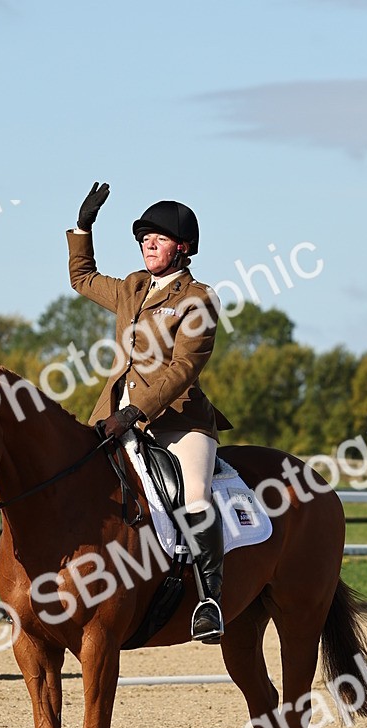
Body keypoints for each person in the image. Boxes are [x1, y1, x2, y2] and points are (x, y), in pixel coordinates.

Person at [67, 182, 231, 643]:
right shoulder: (133, 288)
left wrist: (135, 412)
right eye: (143, 239)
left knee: (195, 495)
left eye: (157, 239)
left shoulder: (198, 298)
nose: (147, 245)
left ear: (182, 248)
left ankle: (210, 602)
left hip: (179, 420)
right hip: (114, 414)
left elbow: (183, 368)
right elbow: (82, 278)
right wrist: (83, 228)